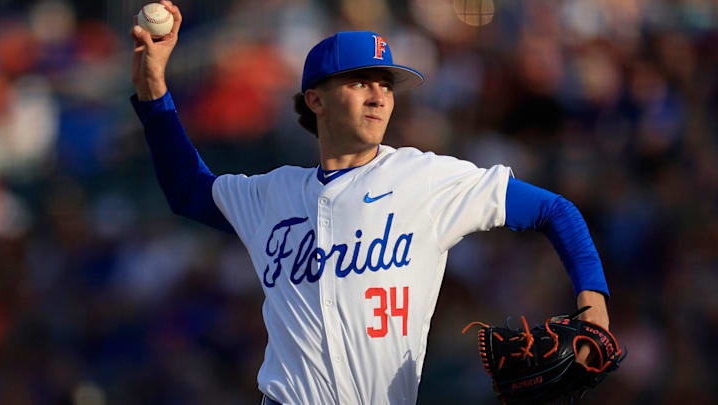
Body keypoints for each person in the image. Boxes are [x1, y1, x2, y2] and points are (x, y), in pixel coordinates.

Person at [130, 2, 612, 404]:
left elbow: (555, 210)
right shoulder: (270, 193)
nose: (379, 96)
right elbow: (189, 190)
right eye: (360, 82)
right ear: (315, 100)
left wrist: (593, 301)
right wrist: (153, 89)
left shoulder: (426, 178)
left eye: (386, 84)